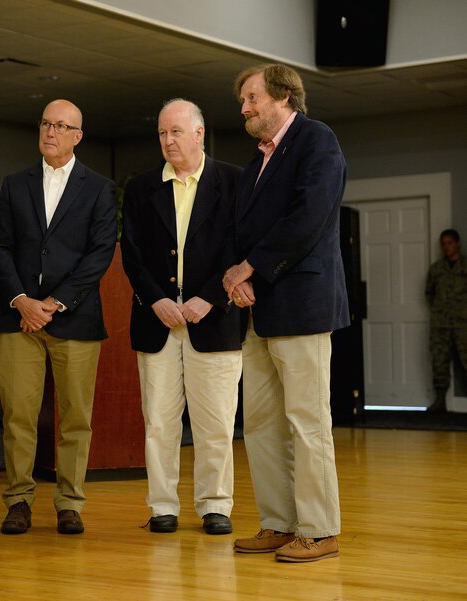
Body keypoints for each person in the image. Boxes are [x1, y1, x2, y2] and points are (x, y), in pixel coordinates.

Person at [223, 64, 349, 562]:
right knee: (260, 424)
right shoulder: (256, 162)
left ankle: (318, 531)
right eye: (242, 101)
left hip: (302, 308)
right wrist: (237, 278)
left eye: (251, 97)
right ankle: (278, 523)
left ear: (283, 97)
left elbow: (308, 217)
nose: (244, 108)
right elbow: (242, 229)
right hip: (258, 311)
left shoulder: (317, 141)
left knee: (308, 422)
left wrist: (249, 267)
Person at [0, 99, 116, 535]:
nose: (50, 131)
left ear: (77, 136)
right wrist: (23, 300)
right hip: (18, 320)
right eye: (45, 123)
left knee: (76, 417)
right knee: (18, 416)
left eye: (61, 126)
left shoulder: (98, 187)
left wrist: (54, 303)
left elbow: (100, 253)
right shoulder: (14, 184)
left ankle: (70, 502)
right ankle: (19, 501)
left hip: (74, 320)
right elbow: (1, 247)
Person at [121, 99, 242, 535]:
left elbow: (238, 247)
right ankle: (162, 506)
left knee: (215, 423)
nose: (168, 141)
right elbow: (132, 257)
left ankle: (215, 504)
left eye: (175, 132)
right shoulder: (141, 187)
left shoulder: (233, 182)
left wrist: (209, 297)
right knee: (159, 422)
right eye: (161, 134)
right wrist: (156, 300)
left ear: (199, 133)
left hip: (214, 320)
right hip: (157, 322)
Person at [425, 229, 467, 412]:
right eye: (443, 243)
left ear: (457, 243)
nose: (446, 247)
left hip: (463, 324)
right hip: (441, 324)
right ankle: (440, 401)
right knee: (439, 362)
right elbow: (429, 293)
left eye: (449, 242)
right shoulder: (436, 269)